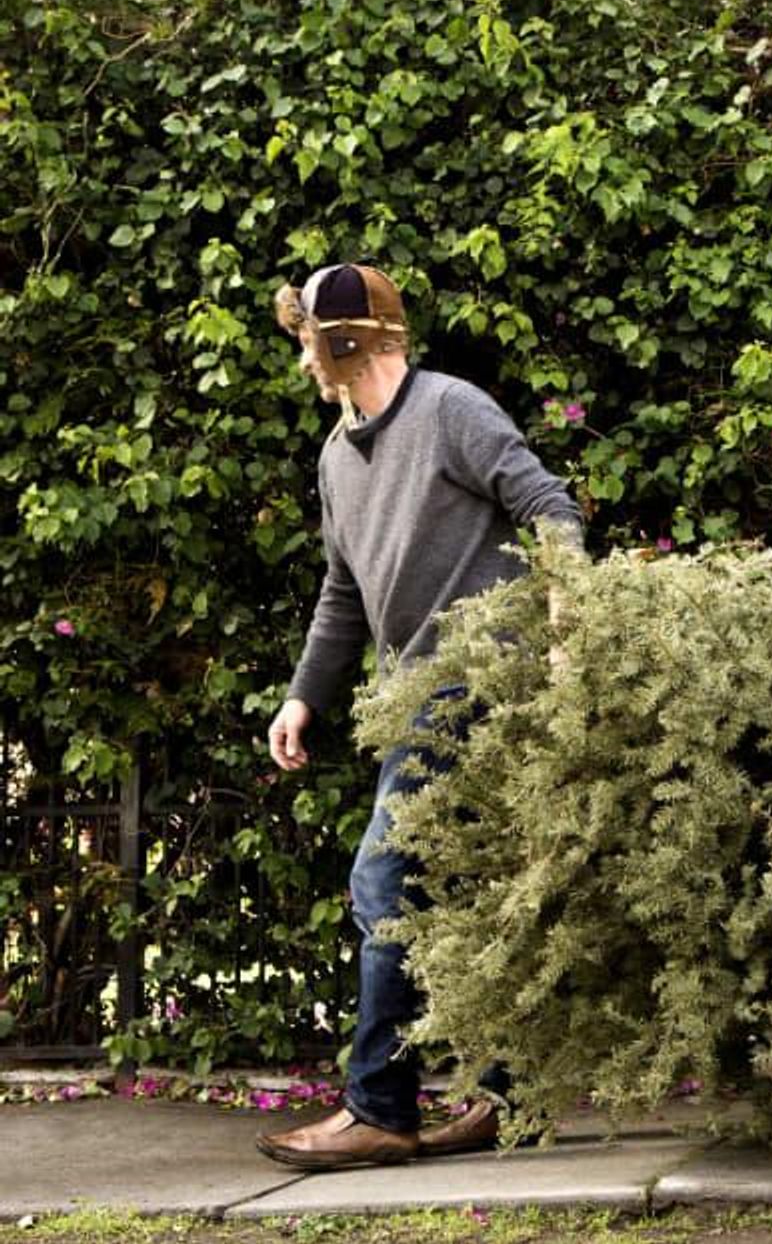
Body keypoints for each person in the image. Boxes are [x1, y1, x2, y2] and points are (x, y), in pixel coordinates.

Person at [254, 263, 583, 1170]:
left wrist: (564, 630)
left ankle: (379, 1108)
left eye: (312, 343)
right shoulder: (337, 456)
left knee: (382, 880)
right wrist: (302, 696)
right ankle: (508, 1099)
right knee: (472, 890)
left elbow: (549, 508)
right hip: (415, 694)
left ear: (345, 344)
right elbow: (342, 592)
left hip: (482, 678)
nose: (306, 361)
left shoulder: (449, 410)